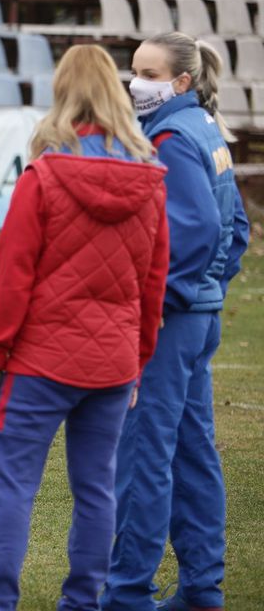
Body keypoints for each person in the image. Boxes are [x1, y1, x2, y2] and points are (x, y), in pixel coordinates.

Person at [0, 45, 170, 611]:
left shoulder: (45, 175)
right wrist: (138, 361)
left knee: (12, 488)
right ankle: (83, 601)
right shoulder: (150, 179)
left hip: (41, 362)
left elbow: (13, 277)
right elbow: (152, 286)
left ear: (62, 92)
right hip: (110, 363)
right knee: (96, 489)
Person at [101, 34, 250, 611]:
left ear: (181, 81)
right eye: (134, 70)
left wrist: (160, 306)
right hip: (197, 313)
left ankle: (128, 592)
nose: (136, 82)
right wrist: (210, 289)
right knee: (192, 455)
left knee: (142, 457)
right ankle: (200, 590)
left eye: (149, 72)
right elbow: (234, 229)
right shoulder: (206, 129)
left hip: (170, 321)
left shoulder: (171, 137)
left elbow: (199, 232)